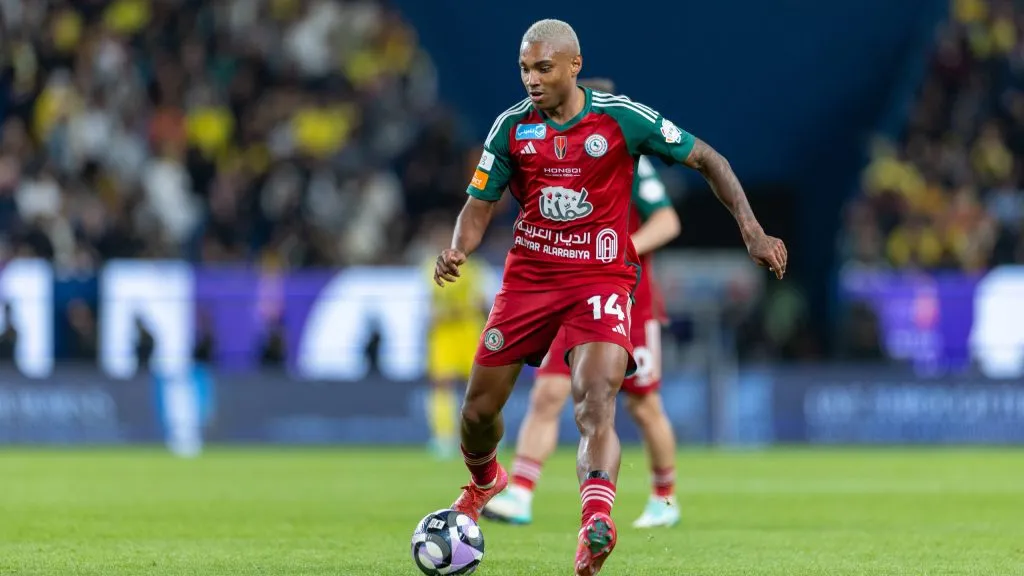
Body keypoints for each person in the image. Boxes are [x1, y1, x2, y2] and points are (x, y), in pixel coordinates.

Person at [433, 19, 787, 576]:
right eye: (524, 69)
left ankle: (596, 523)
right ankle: (485, 482)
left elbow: (709, 160)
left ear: (574, 66)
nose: (531, 79)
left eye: (542, 68)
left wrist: (752, 231)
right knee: (477, 412)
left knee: (595, 401)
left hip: (600, 281)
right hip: (529, 281)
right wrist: (459, 248)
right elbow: (479, 205)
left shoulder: (623, 119)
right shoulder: (511, 128)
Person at [482, 77, 683, 529]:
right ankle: (521, 493)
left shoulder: (625, 156)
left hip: (628, 301)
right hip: (570, 296)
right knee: (548, 393)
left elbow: (668, 221)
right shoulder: (551, 156)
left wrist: (619, 251)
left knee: (643, 405)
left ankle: (665, 498)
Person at [424, 219, 490, 459]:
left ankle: (483, 434)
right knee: (441, 383)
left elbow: (484, 303)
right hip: (444, 334)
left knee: (478, 385)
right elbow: (429, 306)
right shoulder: (428, 269)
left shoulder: (475, 268)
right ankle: (444, 437)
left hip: (469, 331)